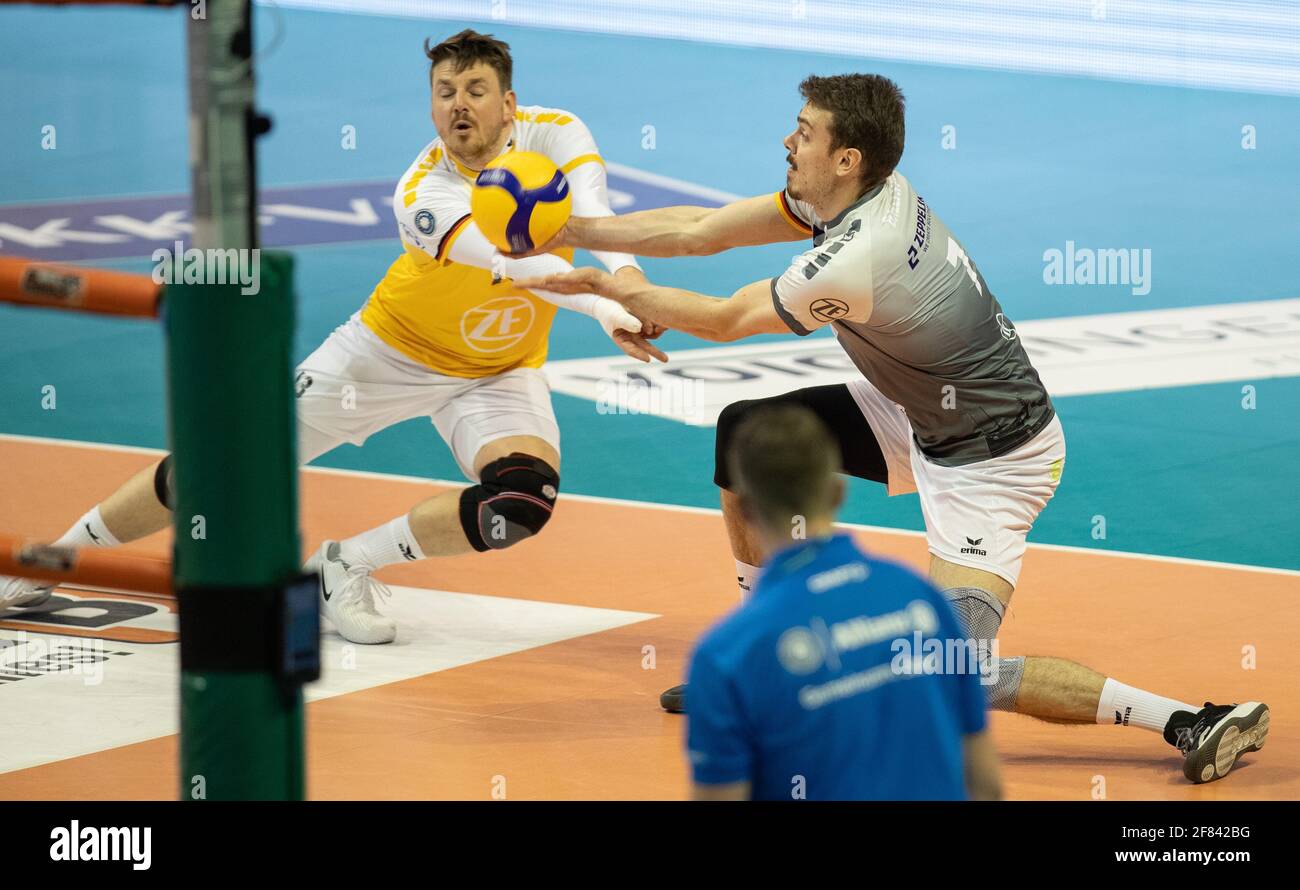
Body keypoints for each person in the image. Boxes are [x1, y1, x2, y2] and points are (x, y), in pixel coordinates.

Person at [516, 73, 1268, 784]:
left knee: (957, 676)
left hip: (995, 465)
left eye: (803, 133)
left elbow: (720, 322)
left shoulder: (857, 255)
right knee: (748, 436)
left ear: (846, 158)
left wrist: (608, 286)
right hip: (913, 412)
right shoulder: (854, 193)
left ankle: (1187, 720)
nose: (788, 142)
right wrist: (570, 227)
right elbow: (701, 232)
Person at [0, 29, 666, 646]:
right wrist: (613, 311)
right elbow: (518, 267)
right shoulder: (422, 192)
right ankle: (55, 557)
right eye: (443, 93)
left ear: (508, 101)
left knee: (521, 502)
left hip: (499, 369)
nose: (458, 106)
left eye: (474, 90)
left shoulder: (555, 134)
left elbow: (599, 217)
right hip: (385, 354)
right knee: (221, 468)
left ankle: (344, 565)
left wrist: (632, 288)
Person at [686, 404, 1002, 800]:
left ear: (745, 510)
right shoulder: (920, 597)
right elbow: (985, 784)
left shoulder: (726, 654)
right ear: (838, 492)